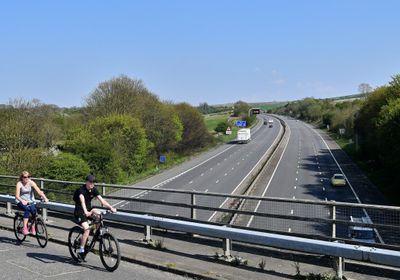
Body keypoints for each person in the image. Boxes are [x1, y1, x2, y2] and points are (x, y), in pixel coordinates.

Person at [73, 174, 117, 261]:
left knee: (99, 215)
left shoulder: (93, 190)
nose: (92, 184)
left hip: (89, 209)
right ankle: (81, 251)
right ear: (86, 182)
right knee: (86, 229)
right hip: (80, 211)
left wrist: (111, 208)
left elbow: (102, 201)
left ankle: (96, 234)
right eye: (90, 182)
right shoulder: (81, 190)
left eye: (93, 182)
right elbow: (82, 201)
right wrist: (85, 212)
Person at [15, 171, 49, 235]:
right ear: (22, 177)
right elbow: (17, 196)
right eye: (25, 177)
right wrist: (22, 201)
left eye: (28, 177)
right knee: (27, 210)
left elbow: (39, 191)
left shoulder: (31, 182)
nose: (27, 178)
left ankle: (32, 227)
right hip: (20, 201)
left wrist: (45, 198)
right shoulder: (19, 184)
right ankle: (24, 228)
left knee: (34, 212)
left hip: (31, 201)